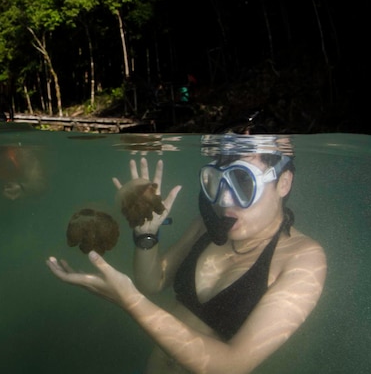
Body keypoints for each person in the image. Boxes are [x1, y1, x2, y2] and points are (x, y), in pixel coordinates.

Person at [46, 134, 327, 374]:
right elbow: (153, 282)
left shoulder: (304, 258)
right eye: (217, 182)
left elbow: (232, 365)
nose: (224, 200)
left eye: (243, 183)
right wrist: (147, 234)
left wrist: (128, 301)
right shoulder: (209, 224)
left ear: (284, 183)